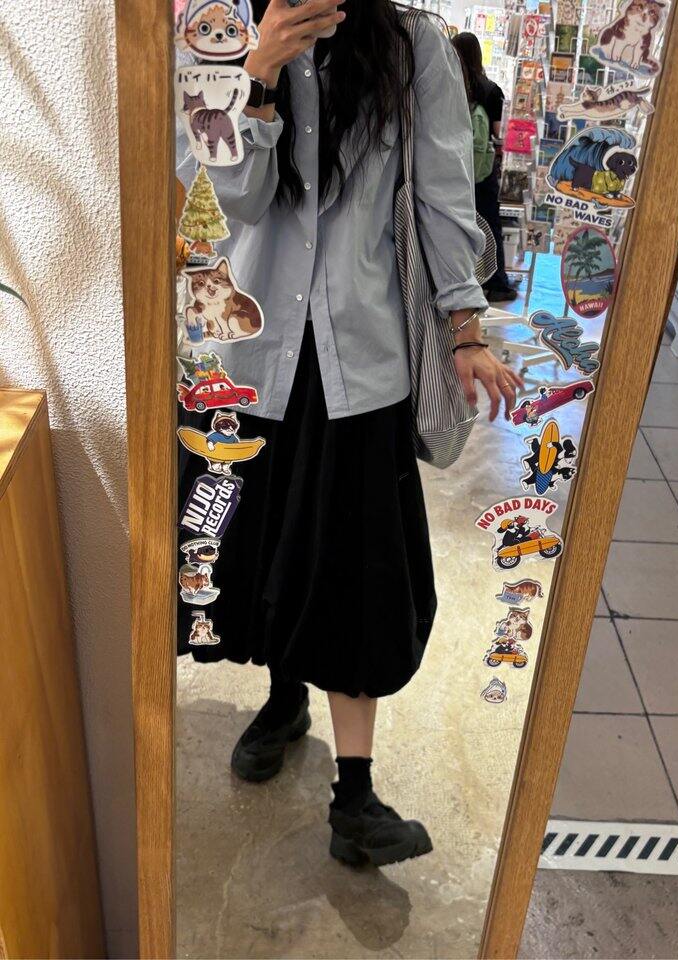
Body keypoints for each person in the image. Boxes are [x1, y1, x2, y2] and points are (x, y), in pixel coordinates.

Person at [176, 0, 522, 867]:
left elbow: (444, 192)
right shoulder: (220, 35)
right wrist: (256, 74)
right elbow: (223, 199)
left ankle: (356, 796)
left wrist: (465, 328)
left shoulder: (412, 47)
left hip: (360, 358)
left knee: (358, 573)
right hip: (249, 354)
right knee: (262, 553)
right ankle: (283, 700)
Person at [451, 31, 518, 302]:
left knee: (454, 224)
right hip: (482, 171)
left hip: (453, 167)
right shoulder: (490, 90)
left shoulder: (450, 85)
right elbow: (499, 132)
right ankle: (496, 281)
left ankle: (459, 279)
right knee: (489, 224)